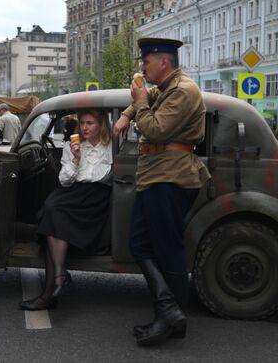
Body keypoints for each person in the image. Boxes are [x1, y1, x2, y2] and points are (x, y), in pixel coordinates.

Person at [114, 38, 210, 346]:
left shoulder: (182, 90)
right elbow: (147, 97)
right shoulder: (168, 87)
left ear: (163, 62)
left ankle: (170, 316)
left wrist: (139, 104)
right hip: (156, 175)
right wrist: (128, 112)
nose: (142, 67)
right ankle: (169, 314)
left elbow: (155, 129)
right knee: (140, 243)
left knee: (167, 249)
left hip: (172, 177)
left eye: (146, 61)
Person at [19, 109, 112, 311]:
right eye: (82, 123)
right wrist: (77, 157)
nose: (85, 127)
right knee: (51, 208)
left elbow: (104, 177)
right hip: (73, 191)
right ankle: (59, 275)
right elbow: (64, 180)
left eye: (90, 123)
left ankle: (50, 291)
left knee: (50, 215)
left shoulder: (111, 146)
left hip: (96, 196)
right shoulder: (73, 146)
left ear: (101, 124)